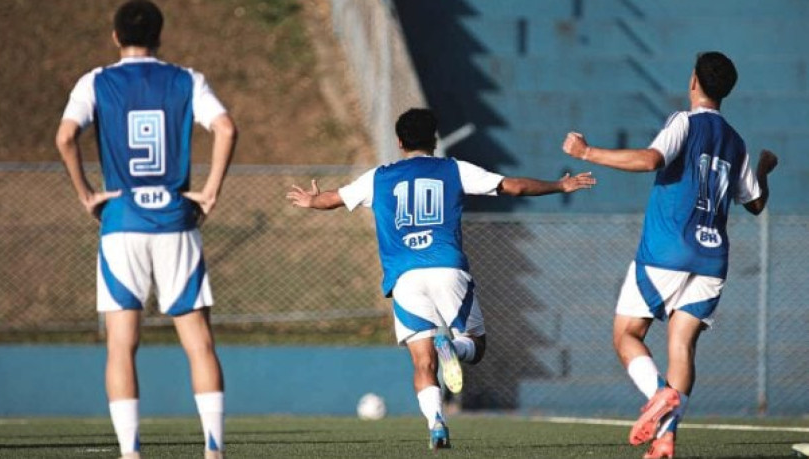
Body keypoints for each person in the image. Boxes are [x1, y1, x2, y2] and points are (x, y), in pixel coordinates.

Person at [287, 107, 595, 449]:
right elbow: (515, 187)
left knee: (423, 362)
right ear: (434, 139)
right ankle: (454, 346)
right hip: (447, 268)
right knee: (475, 346)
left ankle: (436, 423)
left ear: (400, 142)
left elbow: (334, 199)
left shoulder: (378, 177)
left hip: (405, 277)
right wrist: (560, 185)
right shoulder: (454, 170)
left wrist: (311, 200)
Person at [562, 51, 777, 459]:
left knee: (626, 335)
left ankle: (661, 395)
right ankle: (665, 440)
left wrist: (587, 153)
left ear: (693, 81)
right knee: (682, 344)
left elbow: (649, 160)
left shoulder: (684, 121)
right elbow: (755, 202)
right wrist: (764, 169)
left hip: (666, 251)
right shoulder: (735, 140)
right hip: (713, 259)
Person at [55, 1, 237, 458]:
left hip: (122, 222)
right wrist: (210, 191)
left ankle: (131, 452)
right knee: (199, 342)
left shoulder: (95, 81)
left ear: (116, 37)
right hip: (176, 219)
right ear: (160, 35)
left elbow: (64, 137)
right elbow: (226, 128)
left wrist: (86, 193)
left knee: (121, 345)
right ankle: (213, 450)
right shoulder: (186, 79)